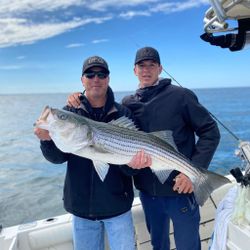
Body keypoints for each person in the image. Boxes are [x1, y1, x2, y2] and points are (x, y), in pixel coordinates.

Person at [67, 47, 221, 250]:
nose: (146, 70)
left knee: (188, 245)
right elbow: (121, 140)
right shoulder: (127, 104)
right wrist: (78, 98)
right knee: (158, 245)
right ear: (134, 70)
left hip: (179, 188)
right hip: (148, 193)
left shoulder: (181, 96)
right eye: (141, 66)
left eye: (151, 65)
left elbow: (210, 131)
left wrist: (191, 173)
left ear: (160, 68)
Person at [34, 55, 150, 250]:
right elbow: (57, 158)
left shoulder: (124, 114)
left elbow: (130, 168)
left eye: (101, 74)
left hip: (117, 209)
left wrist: (134, 166)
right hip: (81, 211)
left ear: (108, 79)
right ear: (82, 80)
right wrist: (46, 140)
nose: (95, 78)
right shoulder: (70, 112)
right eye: (90, 74)